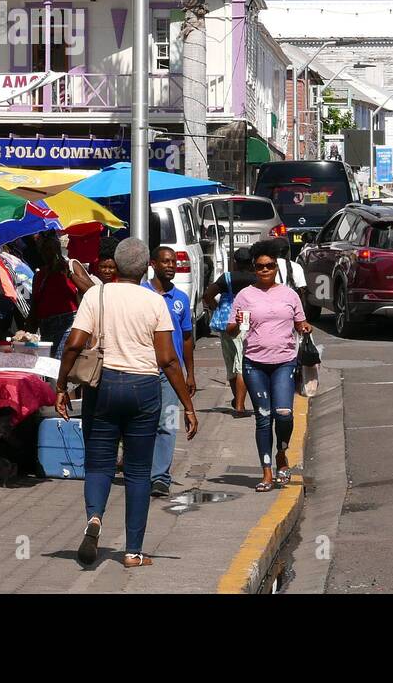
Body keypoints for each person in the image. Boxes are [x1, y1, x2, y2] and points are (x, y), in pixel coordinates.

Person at [56, 238, 197, 569]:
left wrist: (61, 386)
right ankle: (133, 552)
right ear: (146, 266)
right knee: (137, 471)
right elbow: (168, 359)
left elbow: (74, 344)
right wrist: (187, 405)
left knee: (99, 462)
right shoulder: (154, 302)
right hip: (143, 388)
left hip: (102, 386)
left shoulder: (97, 294)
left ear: (115, 266)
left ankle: (94, 520)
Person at [227, 241, 313, 492]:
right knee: (263, 417)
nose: (265, 270)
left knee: (283, 414)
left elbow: (301, 323)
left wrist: (305, 328)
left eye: (270, 266)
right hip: (254, 364)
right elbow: (231, 331)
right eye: (260, 266)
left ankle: (281, 454)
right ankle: (266, 472)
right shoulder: (245, 296)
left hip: (284, 363)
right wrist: (237, 323)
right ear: (254, 269)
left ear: (276, 267)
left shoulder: (290, 295)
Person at [143, 246, 195, 497]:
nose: (171, 266)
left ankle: (160, 476)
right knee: (143, 422)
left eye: (173, 262)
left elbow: (187, 338)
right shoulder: (141, 294)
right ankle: (140, 470)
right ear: (153, 264)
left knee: (169, 422)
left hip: (172, 372)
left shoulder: (181, 299)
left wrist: (190, 373)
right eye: (165, 262)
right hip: (142, 368)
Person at [203, 247, 255, 415]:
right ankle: (240, 406)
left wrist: (217, 308)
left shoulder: (226, 278)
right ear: (252, 262)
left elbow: (208, 295)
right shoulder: (255, 279)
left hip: (227, 323)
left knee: (231, 363)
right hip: (247, 323)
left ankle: (236, 399)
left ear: (235, 261)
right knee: (241, 363)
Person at [28, 232, 80, 358]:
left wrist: (69, 274)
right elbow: (35, 306)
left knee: (58, 363)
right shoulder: (40, 276)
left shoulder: (71, 266)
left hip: (68, 323)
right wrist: (28, 334)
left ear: (58, 249)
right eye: (45, 250)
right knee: (49, 365)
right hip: (46, 325)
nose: (49, 253)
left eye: (52, 249)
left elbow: (91, 289)